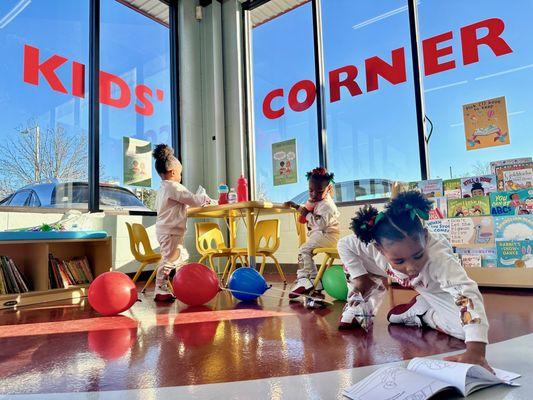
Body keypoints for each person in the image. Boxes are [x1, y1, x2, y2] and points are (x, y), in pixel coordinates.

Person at [337, 191, 492, 371]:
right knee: (354, 275)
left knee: (462, 330)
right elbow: (343, 245)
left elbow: (466, 294)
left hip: (434, 289)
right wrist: (359, 276)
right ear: (378, 249)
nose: (411, 267)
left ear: (425, 237)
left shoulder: (439, 259)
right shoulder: (372, 245)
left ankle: (423, 312)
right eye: (399, 261)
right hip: (372, 279)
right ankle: (359, 304)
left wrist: (476, 351)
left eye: (418, 255)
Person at [152, 144, 214, 302]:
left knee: (181, 256)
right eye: (180, 173)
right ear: (173, 172)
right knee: (169, 259)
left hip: (169, 230)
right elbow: (193, 200)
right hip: (171, 231)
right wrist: (204, 197)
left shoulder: (164, 188)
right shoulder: (174, 187)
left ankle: (180, 283)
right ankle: (160, 288)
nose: (180, 177)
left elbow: (181, 203)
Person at [285, 167, 340, 298]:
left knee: (304, 250)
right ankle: (315, 281)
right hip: (321, 235)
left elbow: (320, 223)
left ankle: (305, 279)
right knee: (303, 250)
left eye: (319, 191)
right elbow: (306, 212)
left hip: (328, 235)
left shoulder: (327, 205)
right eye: (311, 190)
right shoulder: (316, 201)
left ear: (328, 189)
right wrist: (296, 207)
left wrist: (307, 214)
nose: (314, 194)